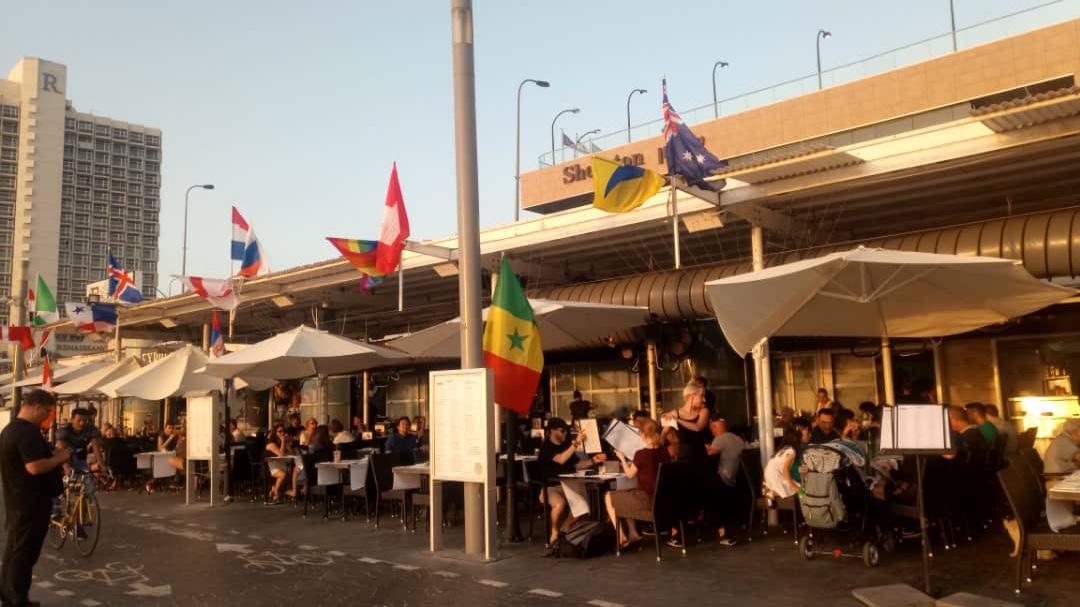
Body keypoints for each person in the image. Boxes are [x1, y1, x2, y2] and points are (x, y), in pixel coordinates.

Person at [0, 389, 71, 607]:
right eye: (47, 412)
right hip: (30, 504)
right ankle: (17, 599)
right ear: (36, 406)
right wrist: (60, 458)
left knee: (15, 550)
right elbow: (34, 467)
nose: (47, 417)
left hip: (18, 501)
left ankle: (9, 595)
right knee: (24, 554)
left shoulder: (10, 430)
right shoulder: (26, 433)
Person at [538, 418, 606, 554]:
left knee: (582, 508)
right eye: (562, 431)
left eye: (566, 431)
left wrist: (593, 460)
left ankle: (562, 533)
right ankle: (555, 531)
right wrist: (576, 443)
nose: (565, 434)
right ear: (552, 431)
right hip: (550, 487)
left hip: (568, 485)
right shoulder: (546, 447)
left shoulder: (565, 446)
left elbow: (577, 465)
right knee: (560, 504)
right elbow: (561, 459)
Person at [605, 418, 669, 549]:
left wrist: (622, 458)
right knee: (627, 495)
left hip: (647, 500)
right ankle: (633, 534)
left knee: (608, 497)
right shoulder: (664, 451)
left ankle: (621, 535)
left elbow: (629, 474)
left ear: (644, 435)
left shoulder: (641, 454)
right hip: (663, 499)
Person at [705, 417, 746, 546]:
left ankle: (722, 532)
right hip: (736, 479)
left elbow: (711, 453)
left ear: (715, 427)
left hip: (724, 478)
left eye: (712, 428)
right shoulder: (737, 439)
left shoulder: (719, 439)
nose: (711, 432)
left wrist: (703, 445)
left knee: (710, 489)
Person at [661, 380, 710, 464]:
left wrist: (677, 420)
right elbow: (664, 434)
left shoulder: (704, 411)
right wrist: (659, 451)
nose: (704, 400)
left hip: (701, 456)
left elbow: (697, 427)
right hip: (683, 457)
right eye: (701, 396)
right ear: (692, 396)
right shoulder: (674, 413)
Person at [763, 421, 810, 501]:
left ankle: (771, 491)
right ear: (799, 437)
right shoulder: (791, 452)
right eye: (808, 434)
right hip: (776, 477)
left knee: (797, 488)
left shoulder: (784, 449)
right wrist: (793, 486)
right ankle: (773, 493)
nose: (810, 435)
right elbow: (785, 469)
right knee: (800, 490)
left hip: (769, 475)